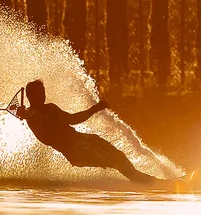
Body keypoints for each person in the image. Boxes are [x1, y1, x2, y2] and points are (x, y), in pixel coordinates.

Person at [17, 79, 161, 185]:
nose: (41, 96)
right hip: (75, 151)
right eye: (37, 94)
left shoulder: (51, 108)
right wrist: (23, 113)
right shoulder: (32, 114)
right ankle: (153, 183)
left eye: (43, 93)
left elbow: (73, 119)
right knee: (116, 162)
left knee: (119, 155)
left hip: (83, 139)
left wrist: (96, 108)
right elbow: (31, 115)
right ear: (29, 97)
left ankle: (144, 180)